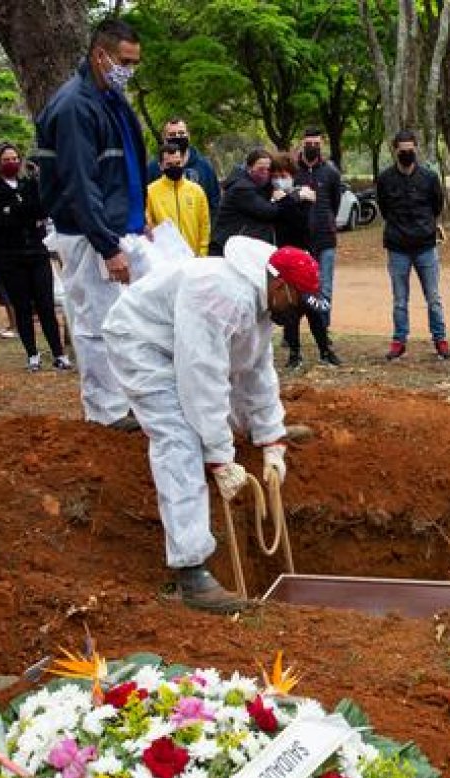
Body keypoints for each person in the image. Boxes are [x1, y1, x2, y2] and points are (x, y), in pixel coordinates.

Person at [103, 239, 319, 613]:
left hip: (183, 348)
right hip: (143, 343)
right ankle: (191, 571)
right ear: (281, 286)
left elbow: (256, 371)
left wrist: (272, 440)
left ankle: (220, 431)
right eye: (298, 301)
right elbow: (201, 378)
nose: (298, 312)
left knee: (216, 404)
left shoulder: (261, 302)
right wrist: (219, 458)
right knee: (179, 439)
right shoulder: (220, 295)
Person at [35, 17, 147, 431]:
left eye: (135, 63)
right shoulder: (74, 106)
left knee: (128, 319)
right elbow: (80, 183)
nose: (129, 70)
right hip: (88, 234)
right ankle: (105, 408)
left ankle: (128, 398)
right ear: (100, 55)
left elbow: (124, 168)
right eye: (124, 60)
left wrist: (141, 217)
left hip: (120, 227)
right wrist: (106, 244)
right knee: (97, 321)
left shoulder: (111, 101)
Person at [0, 141, 72, 372]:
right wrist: (20, 213)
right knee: (22, 306)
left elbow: (41, 210)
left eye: (14, 159)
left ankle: (59, 353)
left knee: (46, 305)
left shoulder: (29, 183)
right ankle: (32, 353)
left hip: (36, 251)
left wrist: (16, 210)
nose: (12, 163)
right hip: (9, 255)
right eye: (6, 160)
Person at [375, 129, 449, 361]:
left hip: (425, 246)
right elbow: (384, 209)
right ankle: (399, 340)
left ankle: (440, 339)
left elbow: (437, 206)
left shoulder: (429, 178)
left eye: (410, 149)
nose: (407, 153)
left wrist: (426, 227)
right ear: (395, 150)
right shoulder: (385, 179)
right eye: (402, 150)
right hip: (397, 247)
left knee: (433, 297)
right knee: (399, 299)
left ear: (416, 149)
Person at [288, 127, 343, 367]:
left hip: (325, 239)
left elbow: (335, 202)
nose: (313, 146)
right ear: (302, 144)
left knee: (325, 289)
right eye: (309, 142)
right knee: (295, 291)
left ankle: (324, 334)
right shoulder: (293, 172)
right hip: (299, 241)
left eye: (316, 143)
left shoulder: (330, 172)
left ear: (322, 144)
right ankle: (292, 341)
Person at [209, 149, 301, 256]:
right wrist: (294, 197)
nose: (265, 173)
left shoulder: (259, 187)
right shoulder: (242, 188)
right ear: (249, 168)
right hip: (226, 248)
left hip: (240, 249)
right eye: (261, 169)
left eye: (268, 169)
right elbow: (268, 211)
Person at [145, 117, 221, 216]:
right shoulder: (153, 168)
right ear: (164, 138)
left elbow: (214, 202)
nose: (177, 137)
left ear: (188, 136)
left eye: (181, 133)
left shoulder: (204, 167)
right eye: (172, 135)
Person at [146, 142, 211, 256]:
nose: (174, 167)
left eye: (178, 163)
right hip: (166, 260)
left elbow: (204, 225)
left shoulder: (197, 191)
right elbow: (148, 225)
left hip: (195, 259)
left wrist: (203, 253)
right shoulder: (150, 192)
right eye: (169, 164)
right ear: (160, 166)